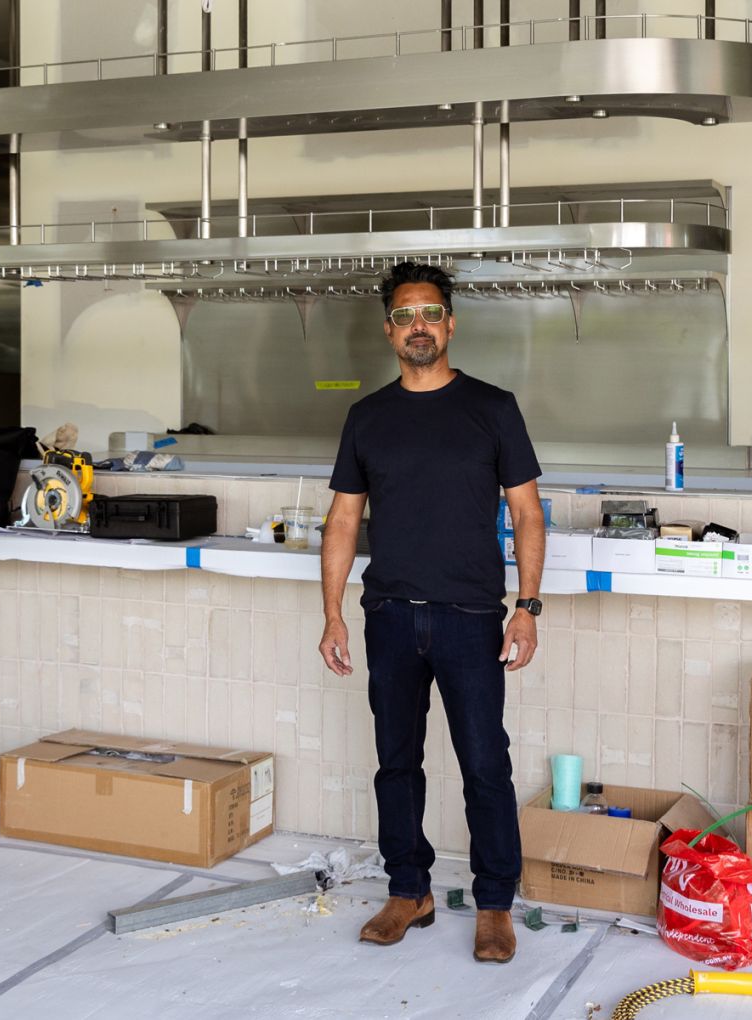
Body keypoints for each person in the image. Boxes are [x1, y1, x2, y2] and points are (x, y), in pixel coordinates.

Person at [319, 261, 545, 965]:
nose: (419, 326)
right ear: (389, 329)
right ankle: (408, 889)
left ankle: (494, 906)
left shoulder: (493, 407)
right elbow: (341, 521)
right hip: (389, 615)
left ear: (451, 324)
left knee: (485, 764)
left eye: (431, 313)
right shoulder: (367, 417)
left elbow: (529, 515)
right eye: (406, 315)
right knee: (396, 763)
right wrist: (332, 613)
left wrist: (528, 606)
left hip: (470, 616)